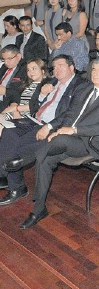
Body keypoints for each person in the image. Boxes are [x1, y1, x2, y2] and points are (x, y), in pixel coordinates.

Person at [15, 58, 99, 229]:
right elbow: (71, 113)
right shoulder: (86, 89)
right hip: (72, 140)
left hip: (92, 143)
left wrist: (72, 130)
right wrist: (60, 128)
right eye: (93, 69)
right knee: (46, 159)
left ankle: (26, 158)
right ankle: (38, 209)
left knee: (58, 140)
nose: (94, 73)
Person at [0, 55, 90, 206]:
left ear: (71, 67)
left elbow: (71, 113)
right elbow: (34, 105)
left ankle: (15, 186)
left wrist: (48, 127)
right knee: (9, 132)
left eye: (61, 65)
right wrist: (42, 94)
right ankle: (7, 177)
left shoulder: (80, 85)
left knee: (18, 146)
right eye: (55, 67)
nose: (57, 69)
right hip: (35, 120)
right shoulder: (52, 82)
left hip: (52, 126)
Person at [1, 58, 47, 125]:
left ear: (42, 70)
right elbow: (17, 97)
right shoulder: (27, 84)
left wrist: (16, 108)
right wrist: (14, 104)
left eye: (34, 68)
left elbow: (37, 105)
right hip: (18, 113)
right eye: (28, 70)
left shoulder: (45, 86)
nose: (31, 72)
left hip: (29, 117)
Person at [0, 45, 27, 113]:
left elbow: (23, 93)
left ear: (18, 56)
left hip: (7, 103)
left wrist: (6, 91)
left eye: (9, 59)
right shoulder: (4, 67)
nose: (6, 62)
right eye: (4, 59)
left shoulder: (26, 70)